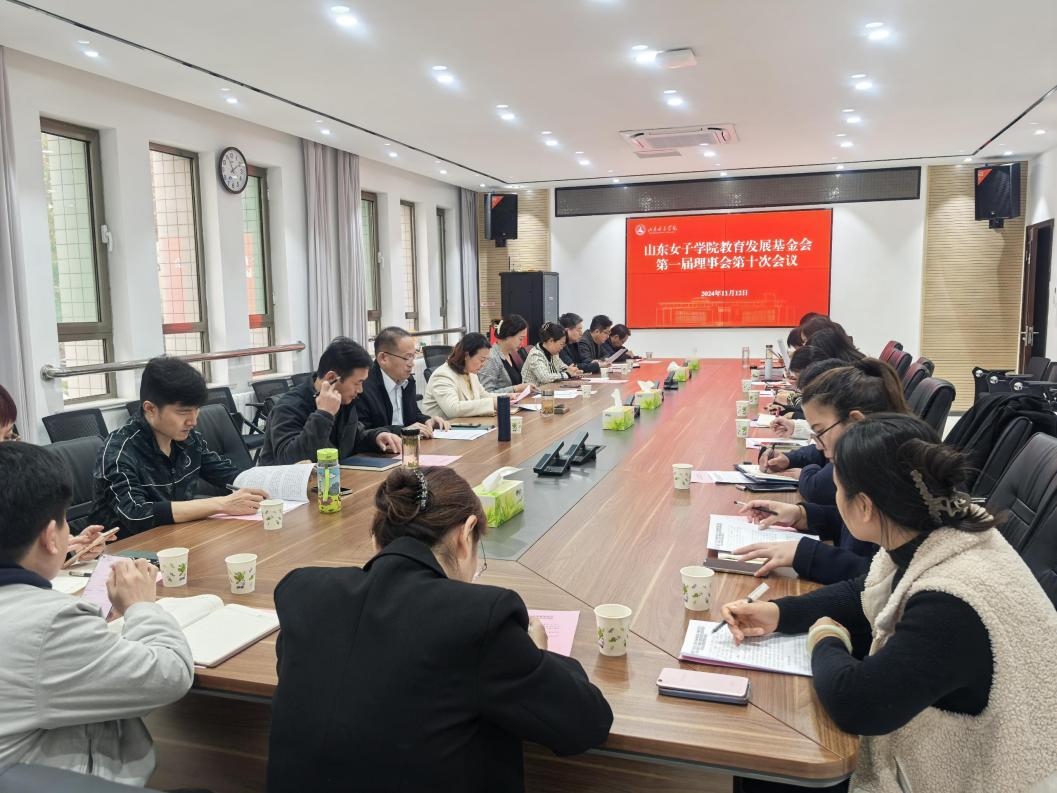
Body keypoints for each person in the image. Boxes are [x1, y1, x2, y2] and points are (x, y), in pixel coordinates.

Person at [721, 415, 1057, 793]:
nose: (835, 499)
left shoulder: (950, 603)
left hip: (992, 776)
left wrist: (825, 636)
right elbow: (866, 589)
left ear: (864, 506)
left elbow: (857, 704)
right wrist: (781, 613)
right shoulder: (934, 530)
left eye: (838, 489)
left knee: (777, 759)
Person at [268, 466, 614, 792]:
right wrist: (536, 654)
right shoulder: (477, 619)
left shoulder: (304, 593)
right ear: (466, 534)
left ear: (377, 541)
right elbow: (587, 723)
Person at [0, 442, 194, 784]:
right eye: (65, 523)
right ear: (50, 537)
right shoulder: (50, 625)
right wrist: (141, 606)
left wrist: (61, 554)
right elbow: (170, 674)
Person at [736, 359, 908, 583]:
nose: (817, 446)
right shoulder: (875, 461)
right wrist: (801, 515)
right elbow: (853, 529)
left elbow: (881, 581)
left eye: (820, 432)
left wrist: (805, 553)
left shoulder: (894, 478)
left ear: (855, 422)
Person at [90, 357, 269, 538]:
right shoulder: (119, 450)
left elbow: (226, 473)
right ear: (150, 409)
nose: (193, 421)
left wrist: (276, 480)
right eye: (183, 412)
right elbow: (136, 513)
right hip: (129, 548)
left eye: (196, 409)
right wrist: (221, 504)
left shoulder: (189, 439)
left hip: (178, 537)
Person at [260, 337, 402, 465]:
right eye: (357, 383)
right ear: (331, 378)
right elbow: (292, 461)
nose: (360, 390)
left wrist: (375, 437)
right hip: (288, 485)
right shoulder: (288, 407)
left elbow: (352, 438)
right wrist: (324, 414)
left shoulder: (342, 399)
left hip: (333, 480)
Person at [359, 327, 450, 439]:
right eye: (406, 357)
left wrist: (427, 420)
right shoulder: (362, 386)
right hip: (381, 449)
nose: (412, 364)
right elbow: (362, 433)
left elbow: (413, 414)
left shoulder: (408, 380)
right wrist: (402, 431)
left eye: (413, 357)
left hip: (407, 445)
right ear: (383, 358)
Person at [421, 333, 500, 419]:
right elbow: (453, 409)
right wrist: (492, 403)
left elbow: (483, 395)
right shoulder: (442, 375)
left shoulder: (470, 372)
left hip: (464, 424)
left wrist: (506, 398)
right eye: (482, 360)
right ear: (466, 355)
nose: (483, 365)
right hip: (443, 426)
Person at [479, 314, 535, 394]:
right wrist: (516, 388)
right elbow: (486, 393)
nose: (522, 343)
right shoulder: (491, 358)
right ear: (508, 336)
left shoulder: (511, 354)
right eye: (520, 339)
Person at [522, 322, 583, 387]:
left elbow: (562, 367)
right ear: (551, 341)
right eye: (561, 344)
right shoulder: (536, 354)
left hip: (548, 390)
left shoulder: (554, 354)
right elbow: (545, 377)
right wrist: (567, 374)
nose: (562, 348)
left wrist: (572, 371)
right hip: (534, 392)